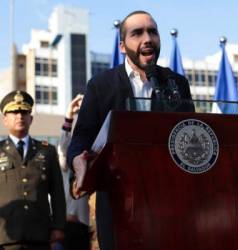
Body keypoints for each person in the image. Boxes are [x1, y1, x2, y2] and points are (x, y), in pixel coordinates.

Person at [67, 10, 194, 250]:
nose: (148, 38)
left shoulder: (176, 83)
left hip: (167, 202)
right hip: (117, 202)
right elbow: (81, 137)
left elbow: (191, 134)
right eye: (138, 33)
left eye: (153, 32)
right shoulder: (101, 85)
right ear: (123, 46)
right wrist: (77, 161)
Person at [0, 90, 66, 250]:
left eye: (24, 112)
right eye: (14, 112)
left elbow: (57, 193)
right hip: (5, 237)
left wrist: (58, 227)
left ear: (31, 118)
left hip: (40, 236)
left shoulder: (47, 151)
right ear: (4, 120)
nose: (19, 116)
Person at [57, 94, 91, 250]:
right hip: (68, 226)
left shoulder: (96, 147)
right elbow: (63, 146)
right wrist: (69, 116)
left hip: (90, 227)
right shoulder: (67, 160)